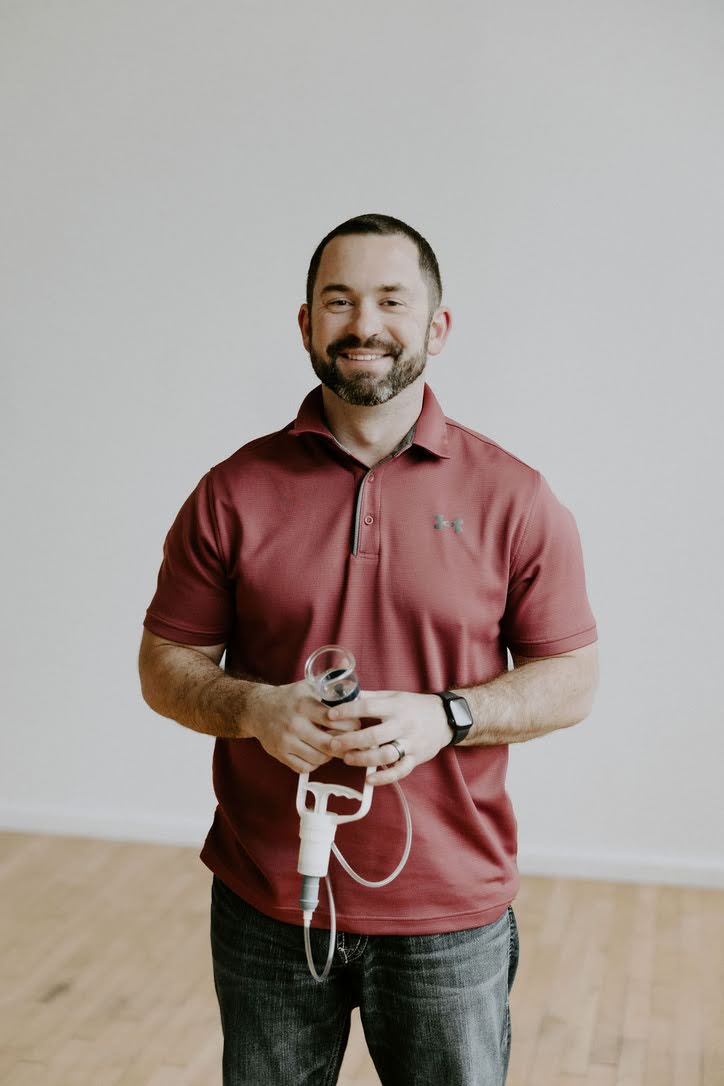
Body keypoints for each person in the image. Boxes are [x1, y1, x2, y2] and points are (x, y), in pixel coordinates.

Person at [138, 212, 599, 1086]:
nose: (364, 325)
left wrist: (449, 716)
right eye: (339, 300)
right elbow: (165, 663)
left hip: (450, 914)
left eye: (391, 300)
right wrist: (254, 708)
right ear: (306, 324)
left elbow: (572, 678)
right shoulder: (232, 493)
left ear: (437, 326)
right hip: (266, 899)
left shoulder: (516, 497)